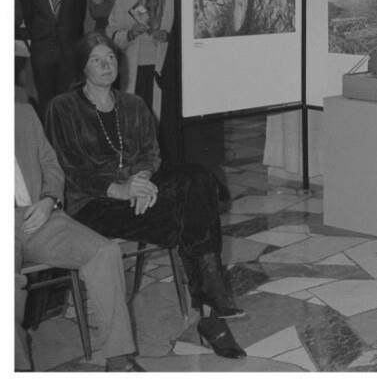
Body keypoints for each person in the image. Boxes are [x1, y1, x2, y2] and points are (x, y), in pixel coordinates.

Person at [44, 32, 246, 360]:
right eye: (96, 60)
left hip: (139, 188)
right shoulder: (63, 107)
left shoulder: (133, 104)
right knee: (192, 214)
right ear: (83, 68)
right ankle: (212, 310)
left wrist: (141, 179)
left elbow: (151, 152)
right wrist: (120, 189)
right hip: (93, 202)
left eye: (110, 58)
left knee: (198, 177)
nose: (106, 65)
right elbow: (69, 168)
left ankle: (212, 300)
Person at [15, 49, 141, 371]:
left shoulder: (22, 113)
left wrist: (48, 199)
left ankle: (119, 359)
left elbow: (51, 165)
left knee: (105, 252)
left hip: (38, 214)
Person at [17, 0, 87, 112]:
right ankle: (48, 130)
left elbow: (79, 16)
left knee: (70, 99)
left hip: (70, 51)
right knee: (46, 99)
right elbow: (28, 17)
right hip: (42, 52)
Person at [106, 0, 173, 117]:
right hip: (137, 67)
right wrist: (130, 34)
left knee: (165, 117)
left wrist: (168, 36)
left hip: (168, 67)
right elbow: (111, 31)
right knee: (138, 117)